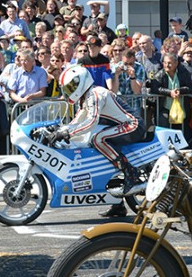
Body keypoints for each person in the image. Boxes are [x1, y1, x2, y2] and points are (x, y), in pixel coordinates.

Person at [54, 65, 146, 218]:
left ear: (80, 82)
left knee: (98, 139)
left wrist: (68, 133)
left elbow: (91, 122)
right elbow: (78, 121)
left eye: (71, 86)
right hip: (123, 126)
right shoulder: (86, 98)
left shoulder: (96, 94)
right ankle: (118, 204)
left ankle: (130, 172)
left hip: (133, 125)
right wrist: (60, 130)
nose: (69, 90)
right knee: (99, 153)